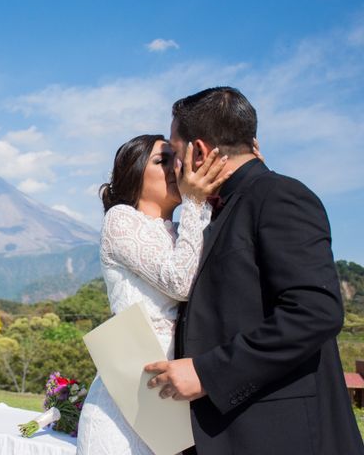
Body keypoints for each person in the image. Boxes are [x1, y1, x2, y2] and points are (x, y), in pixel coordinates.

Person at [145, 87, 364, 454]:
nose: (175, 168)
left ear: (198, 151)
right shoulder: (214, 211)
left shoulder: (278, 196)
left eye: (176, 152)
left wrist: (207, 372)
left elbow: (315, 312)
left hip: (278, 436)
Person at [76, 134, 231, 455]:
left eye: (177, 159)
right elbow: (180, 282)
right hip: (127, 398)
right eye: (163, 161)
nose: (177, 169)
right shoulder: (121, 220)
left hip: (172, 399)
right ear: (133, 175)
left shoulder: (187, 227)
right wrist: (195, 203)